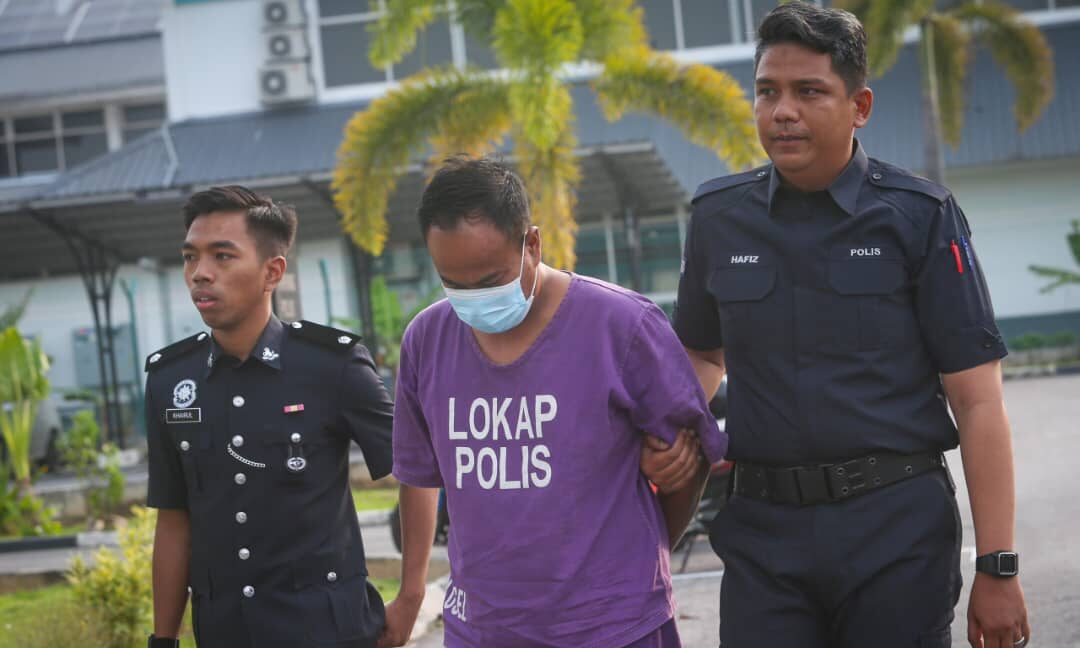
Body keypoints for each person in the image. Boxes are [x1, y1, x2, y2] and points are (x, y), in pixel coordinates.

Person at [665, 3, 1032, 646]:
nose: (783, 111)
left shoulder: (919, 216)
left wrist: (997, 567)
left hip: (894, 533)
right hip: (763, 537)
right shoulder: (719, 218)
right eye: (767, 91)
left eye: (809, 92)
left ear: (859, 105)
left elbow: (977, 402)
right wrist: (663, 433)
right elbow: (699, 355)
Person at [377, 156, 727, 648]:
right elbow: (418, 476)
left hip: (612, 626)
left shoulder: (621, 326)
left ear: (532, 245)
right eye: (453, 282)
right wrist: (410, 594)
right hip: (483, 628)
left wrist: (634, 571)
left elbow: (686, 462)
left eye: (490, 279)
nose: (473, 298)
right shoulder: (426, 340)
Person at [144, 186, 394, 648]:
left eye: (222, 257)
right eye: (190, 257)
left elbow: (417, 465)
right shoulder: (169, 381)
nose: (199, 274)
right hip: (225, 632)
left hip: (330, 631)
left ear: (272, 272)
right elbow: (174, 518)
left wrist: (414, 589)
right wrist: (163, 639)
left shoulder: (331, 366)